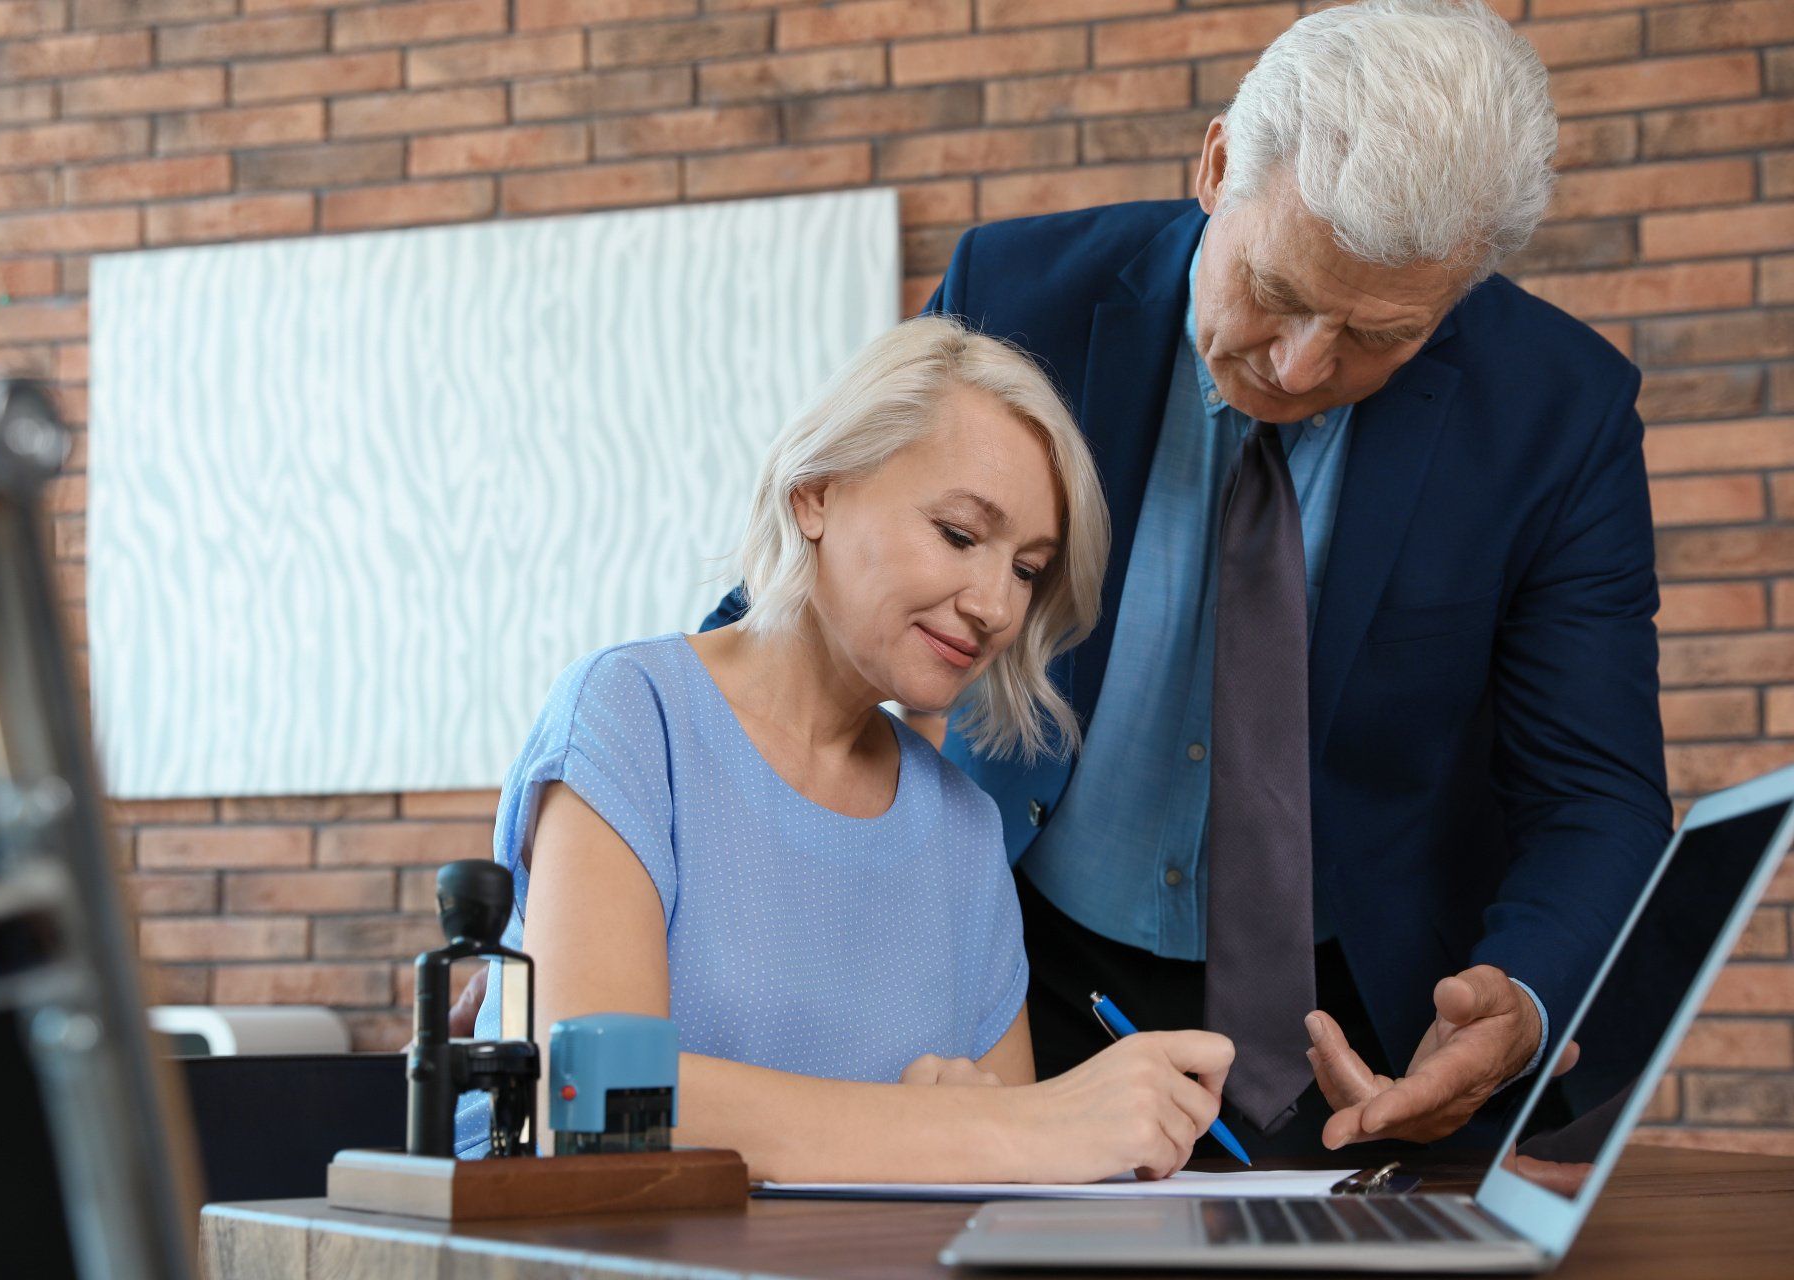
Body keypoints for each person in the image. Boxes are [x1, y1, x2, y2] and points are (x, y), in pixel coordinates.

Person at [702, 0, 1670, 1159]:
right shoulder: (1021, 295)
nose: (1303, 363)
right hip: (1022, 989)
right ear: (1215, 164)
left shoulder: (1558, 412)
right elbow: (811, 602)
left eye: (1380, 333)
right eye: (1278, 289)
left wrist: (1523, 998)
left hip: (1372, 1045)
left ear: (1457, 290)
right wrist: (608, 863)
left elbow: (1595, 796)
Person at [455, 314, 1240, 1182]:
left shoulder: (965, 831)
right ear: (816, 492)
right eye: (959, 533)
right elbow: (592, 1100)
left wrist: (983, 1135)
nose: (996, 606)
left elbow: (1003, 1182)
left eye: (1027, 569)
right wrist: (984, 1132)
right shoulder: (631, 716)